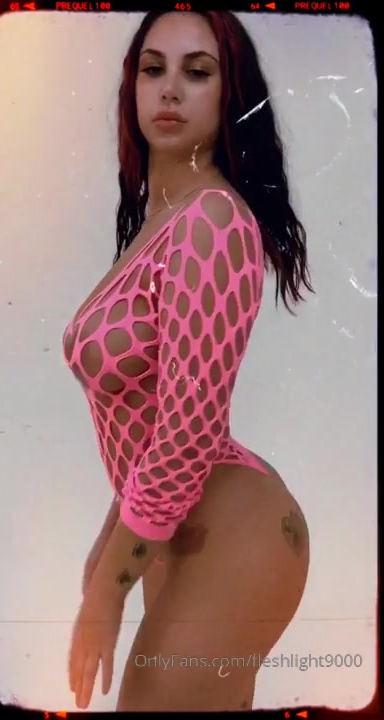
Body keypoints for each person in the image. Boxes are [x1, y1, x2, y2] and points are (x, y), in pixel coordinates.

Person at [64, 10, 313, 711]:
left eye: (197, 72)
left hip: (229, 532)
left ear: (230, 94)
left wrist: (107, 592)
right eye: (153, 69)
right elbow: (150, 416)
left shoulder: (211, 220)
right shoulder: (160, 221)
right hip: (170, 533)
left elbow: (185, 434)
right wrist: (109, 544)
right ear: (132, 87)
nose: (170, 88)